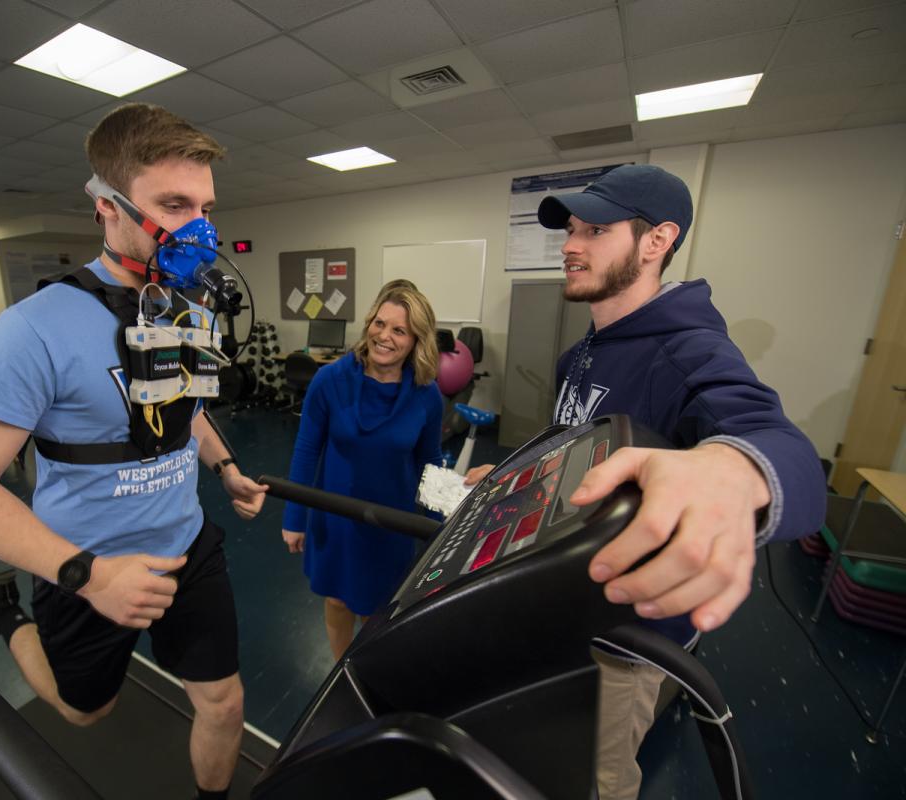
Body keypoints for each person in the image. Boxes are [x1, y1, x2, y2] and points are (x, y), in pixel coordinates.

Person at [0, 103, 268, 800]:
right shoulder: (32, 330)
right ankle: (4, 613)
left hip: (185, 544)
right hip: (83, 560)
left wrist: (224, 467)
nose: (197, 228)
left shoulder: (190, 311)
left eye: (204, 205)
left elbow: (186, 411)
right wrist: (90, 576)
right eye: (174, 204)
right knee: (87, 710)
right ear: (108, 207)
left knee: (224, 701)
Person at [465, 164, 825, 799]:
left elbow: (784, 450)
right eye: (572, 229)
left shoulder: (690, 350)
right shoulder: (580, 353)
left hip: (629, 636)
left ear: (657, 241)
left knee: (598, 778)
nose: (571, 245)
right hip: (566, 599)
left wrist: (732, 468)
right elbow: (570, 444)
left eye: (595, 229)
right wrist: (516, 473)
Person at [281, 283, 444, 661]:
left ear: (416, 340)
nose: (384, 336)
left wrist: (440, 529)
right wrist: (294, 518)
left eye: (399, 330)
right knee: (337, 600)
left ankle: (371, 671)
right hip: (335, 517)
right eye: (379, 323)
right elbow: (306, 450)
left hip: (390, 522)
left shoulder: (426, 394)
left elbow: (430, 462)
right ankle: (341, 674)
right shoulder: (330, 381)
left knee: (377, 610)